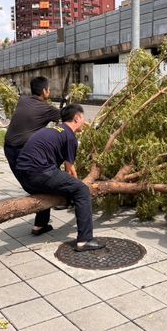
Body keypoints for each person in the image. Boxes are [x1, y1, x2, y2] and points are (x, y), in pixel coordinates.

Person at [15, 104, 104, 252]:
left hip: (23, 174)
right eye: (83, 118)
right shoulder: (70, 136)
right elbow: (70, 170)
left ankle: (40, 225)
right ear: (77, 118)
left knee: (49, 185)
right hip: (39, 172)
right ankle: (85, 240)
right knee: (81, 189)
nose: (85, 121)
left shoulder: (54, 130)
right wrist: (77, 186)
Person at [4, 75, 60, 185]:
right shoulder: (47, 109)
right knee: (38, 180)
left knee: (26, 182)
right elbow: (70, 119)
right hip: (24, 151)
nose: (49, 91)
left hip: (8, 148)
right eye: (48, 89)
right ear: (44, 91)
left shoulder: (22, 100)